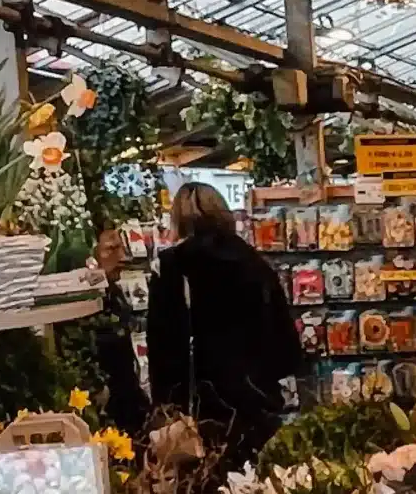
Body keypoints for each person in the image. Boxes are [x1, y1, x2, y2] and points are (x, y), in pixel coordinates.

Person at [146, 182, 304, 474]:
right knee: (259, 484)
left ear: (178, 219)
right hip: (256, 395)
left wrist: (164, 403)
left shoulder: (172, 267)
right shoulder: (254, 262)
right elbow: (284, 341)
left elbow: (162, 343)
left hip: (201, 404)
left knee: (204, 487)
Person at [90, 224, 148, 440]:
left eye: (122, 248)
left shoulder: (113, 292)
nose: (122, 257)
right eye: (111, 249)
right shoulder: (91, 303)